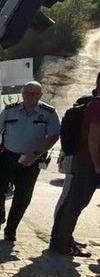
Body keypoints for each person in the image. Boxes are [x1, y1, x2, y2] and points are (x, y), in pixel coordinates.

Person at [0, 81, 60, 242]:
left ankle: (11, 230)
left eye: (35, 94)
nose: (30, 96)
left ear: (40, 95)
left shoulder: (48, 113)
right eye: (28, 93)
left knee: (22, 196)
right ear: (23, 94)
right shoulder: (10, 110)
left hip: (31, 159)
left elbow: (53, 136)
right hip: (8, 156)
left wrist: (36, 154)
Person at [50, 89, 100, 256]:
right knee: (74, 204)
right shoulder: (97, 105)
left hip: (86, 162)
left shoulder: (94, 104)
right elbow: (93, 137)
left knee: (72, 202)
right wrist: (97, 166)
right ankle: (62, 244)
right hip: (88, 163)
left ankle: (60, 240)